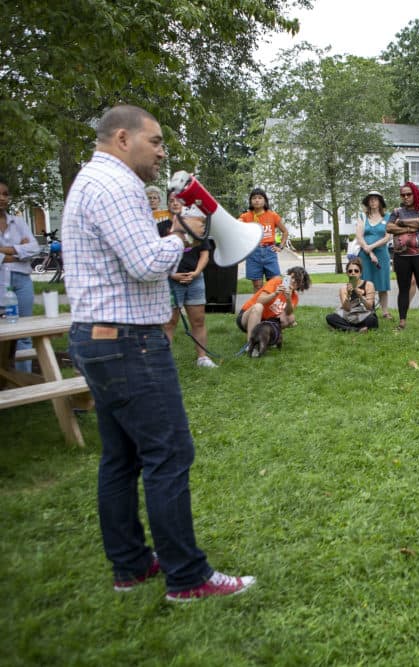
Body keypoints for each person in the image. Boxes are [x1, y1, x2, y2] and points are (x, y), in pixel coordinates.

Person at [62, 105, 254, 600]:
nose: (163, 151)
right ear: (123, 138)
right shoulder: (117, 185)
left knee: (121, 457)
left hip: (101, 337)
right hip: (129, 341)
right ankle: (187, 578)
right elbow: (147, 263)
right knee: (169, 453)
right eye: (157, 141)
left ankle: (130, 565)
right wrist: (187, 230)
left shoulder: (93, 180)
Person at [156, 196, 217, 368]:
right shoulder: (160, 228)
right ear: (168, 205)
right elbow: (157, 254)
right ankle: (164, 361)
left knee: (198, 320)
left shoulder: (196, 224)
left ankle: (202, 358)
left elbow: (205, 253)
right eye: (171, 201)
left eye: (179, 201)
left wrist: (196, 272)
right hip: (171, 280)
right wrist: (172, 274)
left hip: (195, 279)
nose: (175, 203)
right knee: (169, 322)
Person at [0, 177, 41, 372]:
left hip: (23, 282)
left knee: (25, 333)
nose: (2, 198)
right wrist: (20, 251)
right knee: (3, 334)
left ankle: (24, 381)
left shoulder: (18, 222)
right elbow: (26, 251)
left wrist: (5, 251)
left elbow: (35, 248)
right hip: (2, 283)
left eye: (5, 194)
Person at [387, 181, 419, 331]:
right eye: (403, 195)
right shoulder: (396, 210)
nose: (406, 197)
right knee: (403, 289)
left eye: (409, 194)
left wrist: (401, 223)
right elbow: (389, 227)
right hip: (401, 256)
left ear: (414, 194)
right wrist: (409, 227)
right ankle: (402, 323)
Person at [237, 265, 311, 354]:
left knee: (290, 318)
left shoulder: (294, 297)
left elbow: (288, 313)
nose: (293, 281)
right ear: (288, 276)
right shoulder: (276, 282)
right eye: (292, 277)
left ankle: (270, 339)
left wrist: (288, 299)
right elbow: (260, 300)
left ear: (300, 285)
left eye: (297, 281)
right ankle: (250, 345)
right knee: (258, 307)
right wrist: (275, 294)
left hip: (264, 322)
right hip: (248, 317)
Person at [239, 187, 288, 292]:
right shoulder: (246, 216)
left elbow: (285, 232)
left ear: (265, 200)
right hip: (253, 253)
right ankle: (258, 307)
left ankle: (271, 307)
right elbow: (236, 227)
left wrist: (281, 246)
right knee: (257, 286)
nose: (257, 200)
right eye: (254, 198)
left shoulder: (272, 215)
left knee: (274, 283)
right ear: (250, 201)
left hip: (269, 251)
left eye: (260, 198)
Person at [355, 191, 392, 319]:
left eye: (376, 199)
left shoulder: (387, 217)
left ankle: (385, 312)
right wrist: (370, 252)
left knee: (382, 285)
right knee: (365, 283)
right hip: (365, 255)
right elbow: (359, 237)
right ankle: (368, 309)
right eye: (370, 199)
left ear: (380, 202)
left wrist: (372, 247)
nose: (373, 201)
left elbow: (387, 237)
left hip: (382, 255)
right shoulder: (362, 216)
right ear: (368, 202)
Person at [327, 258, 378, 333]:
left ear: (360, 273)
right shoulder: (343, 288)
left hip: (364, 315)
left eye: (356, 271)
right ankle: (357, 330)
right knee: (330, 318)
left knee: (372, 320)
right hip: (349, 316)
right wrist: (348, 295)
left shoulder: (369, 285)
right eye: (350, 271)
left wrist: (360, 296)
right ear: (347, 273)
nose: (353, 273)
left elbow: (370, 307)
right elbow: (346, 309)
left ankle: (345, 327)